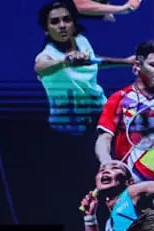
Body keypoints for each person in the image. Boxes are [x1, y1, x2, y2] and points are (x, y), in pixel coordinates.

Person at [96, 40, 154, 182]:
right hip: (133, 181)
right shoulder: (120, 98)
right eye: (153, 65)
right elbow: (104, 137)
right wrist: (106, 162)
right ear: (137, 67)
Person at [34, 1, 128, 135]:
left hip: (100, 117)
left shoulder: (81, 40)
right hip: (69, 128)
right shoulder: (48, 55)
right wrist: (64, 61)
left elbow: (94, 61)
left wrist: (126, 61)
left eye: (67, 20)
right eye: (55, 22)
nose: (62, 26)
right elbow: (40, 67)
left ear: (73, 23)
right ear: (46, 29)